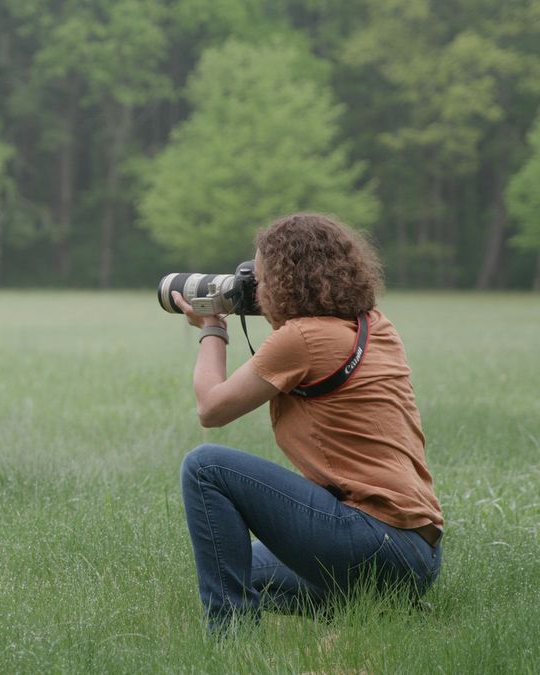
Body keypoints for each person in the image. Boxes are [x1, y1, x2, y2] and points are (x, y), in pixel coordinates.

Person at [170, 212, 443, 634]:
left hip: (372, 541)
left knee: (206, 467)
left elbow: (212, 409)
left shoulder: (301, 339)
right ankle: (384, 610)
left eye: (259, 280)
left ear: (284, 281)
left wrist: (212, 326)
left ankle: (230, 638)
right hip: (418, 555)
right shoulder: (375, 325)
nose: (255, 291)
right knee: (241, 568)